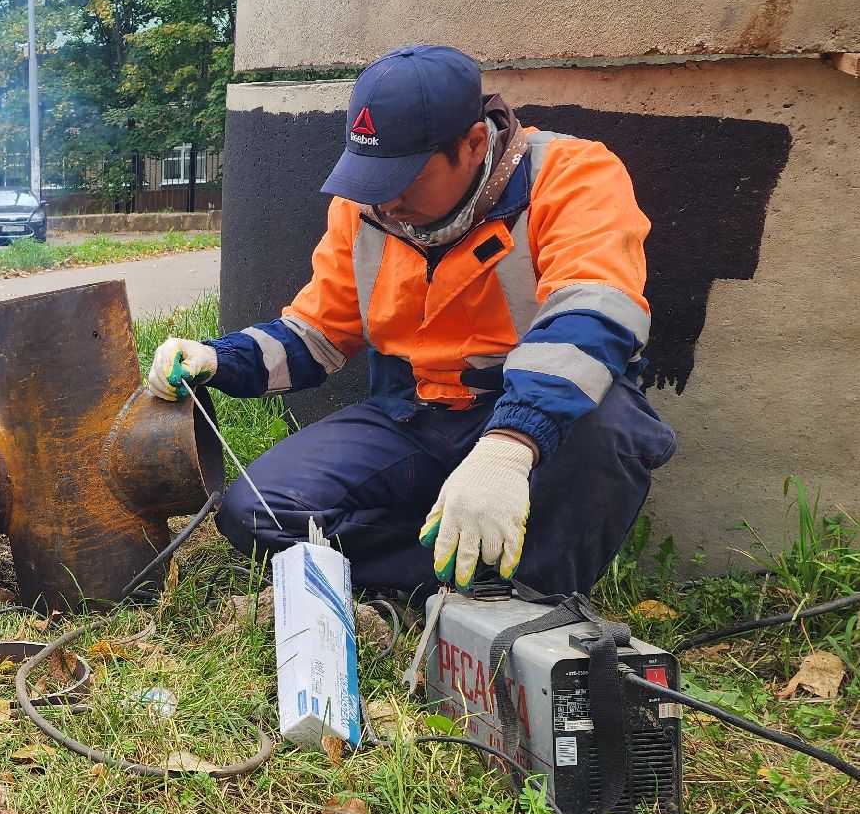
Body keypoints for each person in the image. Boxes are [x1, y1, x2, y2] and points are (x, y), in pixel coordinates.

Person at [147, 45, 674, 598]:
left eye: (405, 177)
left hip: (538, 418)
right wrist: (218, 358)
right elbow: (317, 336)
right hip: (416, 414)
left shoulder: (573, 175)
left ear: (474, 145)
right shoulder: (364, 207)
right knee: (257, 511)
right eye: (371, 178)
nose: (386, 201)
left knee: (612, 424)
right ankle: (465, 585)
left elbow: (592, 312)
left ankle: (529, 597)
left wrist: (510, 444)